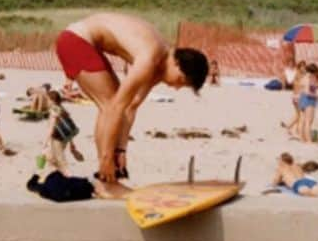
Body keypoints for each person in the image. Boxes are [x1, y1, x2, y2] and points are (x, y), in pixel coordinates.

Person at [53, 12, 208, 191]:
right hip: (75, 41)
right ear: (177, 63)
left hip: (84, 42)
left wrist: (120, 151)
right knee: (109, 103)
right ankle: (105, 181)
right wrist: (107, 159)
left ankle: (109, 179)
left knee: (115, 103)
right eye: (181, 80)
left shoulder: (159, 66)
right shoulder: (150, 58)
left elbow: (131, 107)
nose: (176, 87)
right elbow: (115, 107)